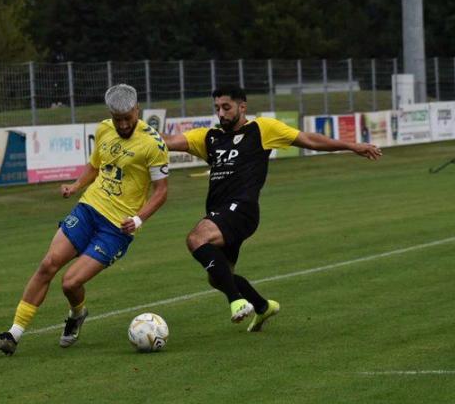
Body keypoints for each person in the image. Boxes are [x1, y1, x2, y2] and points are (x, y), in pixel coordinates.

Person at [162, 86, 382, 331]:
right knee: (218, 278)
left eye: (226, 107)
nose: (221, 113)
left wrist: (351, 146)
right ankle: (263, 307)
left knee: (196, 238)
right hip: (219, 213)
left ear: (242, 107)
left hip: (242, 210)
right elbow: (169, 142)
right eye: (217, 108)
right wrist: (137, 132)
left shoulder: (263, 129)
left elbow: (308, 139)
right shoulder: (209, 137)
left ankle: (237, 302)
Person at [0, 84, 169, 355]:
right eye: (118, 119)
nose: (123, 124)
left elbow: (162, 191)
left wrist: (138, 220)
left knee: (70, 282)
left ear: (137, 111)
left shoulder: (153, 144)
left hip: (116, 228)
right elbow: (95, 167)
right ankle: (13, 335)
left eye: (127, 118)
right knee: (48, 264)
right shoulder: (104, 129)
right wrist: (75, 186)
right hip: (88, 209)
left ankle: (77, 314)